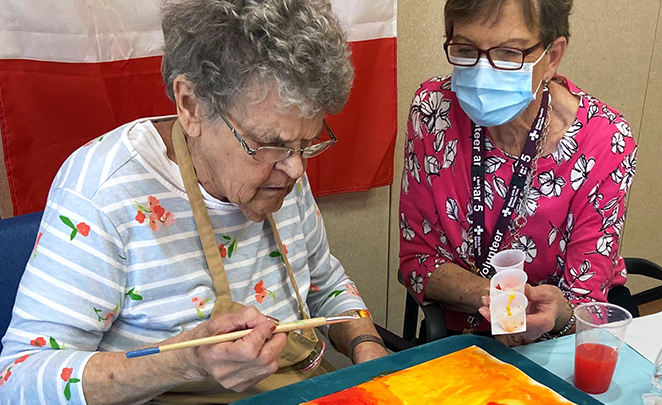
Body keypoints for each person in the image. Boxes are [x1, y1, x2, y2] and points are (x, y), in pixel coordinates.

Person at [0, 0, 387, 403]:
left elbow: (327, 286)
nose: (295, 170)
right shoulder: (104, 190)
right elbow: (18, 379)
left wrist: (368, 350)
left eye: (305, 144)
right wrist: (187, 361)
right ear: (190, 105)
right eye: (271, 144)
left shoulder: (281, 170)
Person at [399, 0, 637, 346]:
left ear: (552, 57)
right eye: (466, 49)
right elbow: (417, 261)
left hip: (565, 334)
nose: (483, 73)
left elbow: (584, 300)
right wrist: (503, 300)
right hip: (465, 326)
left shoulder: (604, 139)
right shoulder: (433, 111)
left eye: (509, 53)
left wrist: (552, 313)